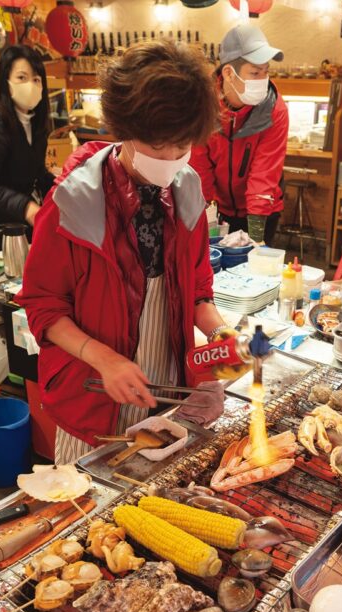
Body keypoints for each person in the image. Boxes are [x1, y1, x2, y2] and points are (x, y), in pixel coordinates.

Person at [17, 41, 234, 464]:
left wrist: (219, 334)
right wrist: (105, 360)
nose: (172, 158)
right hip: (93, 393)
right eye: (159, 146)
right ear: (126, 130)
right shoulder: (72, 203)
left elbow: (198, 291)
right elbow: (42, 306)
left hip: (167, 389)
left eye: (183, 144)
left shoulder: (187, 189)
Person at [190, 24, 288, 246]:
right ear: (228, 73)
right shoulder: (203, 105)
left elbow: (265, 173)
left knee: (255, 267)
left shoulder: (274, 109)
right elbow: (199, 170)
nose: (262, 79)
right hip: (220, 208)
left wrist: (256, 240)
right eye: (255, 72)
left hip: (262, 211)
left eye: (266, 71)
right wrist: (204, 219)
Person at [0, 45, 54, 234]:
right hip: (1, 228)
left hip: (20, 226)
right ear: (5, 81)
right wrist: (26, 207)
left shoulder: (36, 125)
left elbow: (36, 173)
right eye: (22, 77)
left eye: (36, 79)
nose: (31, 85)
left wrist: (64, 185)